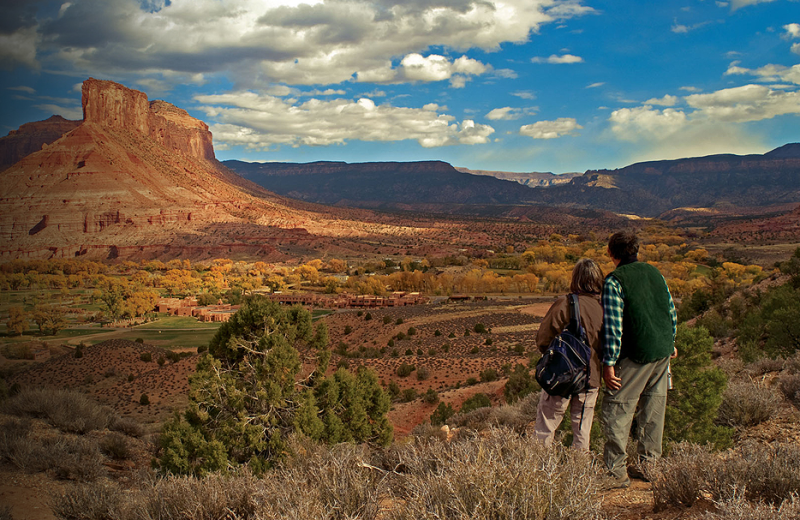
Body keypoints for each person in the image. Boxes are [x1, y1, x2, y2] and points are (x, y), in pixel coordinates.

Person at [601, 230, 678, 488]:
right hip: (662, 351)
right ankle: (650, 467)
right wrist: (672, 342)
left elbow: (614, 328)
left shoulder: (614, 281)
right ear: (636, 250)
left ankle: (615, 474)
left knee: (617, 408)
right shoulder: (655, 273)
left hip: (637, 354)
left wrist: (609, 363)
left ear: (611, 253)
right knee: (654, 409)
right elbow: (670, 311)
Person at [533, 258, 604, 452]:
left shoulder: (566, 303)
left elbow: (543, 339)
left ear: (576, 279)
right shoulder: (606, 308)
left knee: (545, 428)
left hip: (560, 377)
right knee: (582, 433)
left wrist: (557, 358)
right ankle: (579, 477)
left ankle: (538, 473)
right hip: (591, 379)